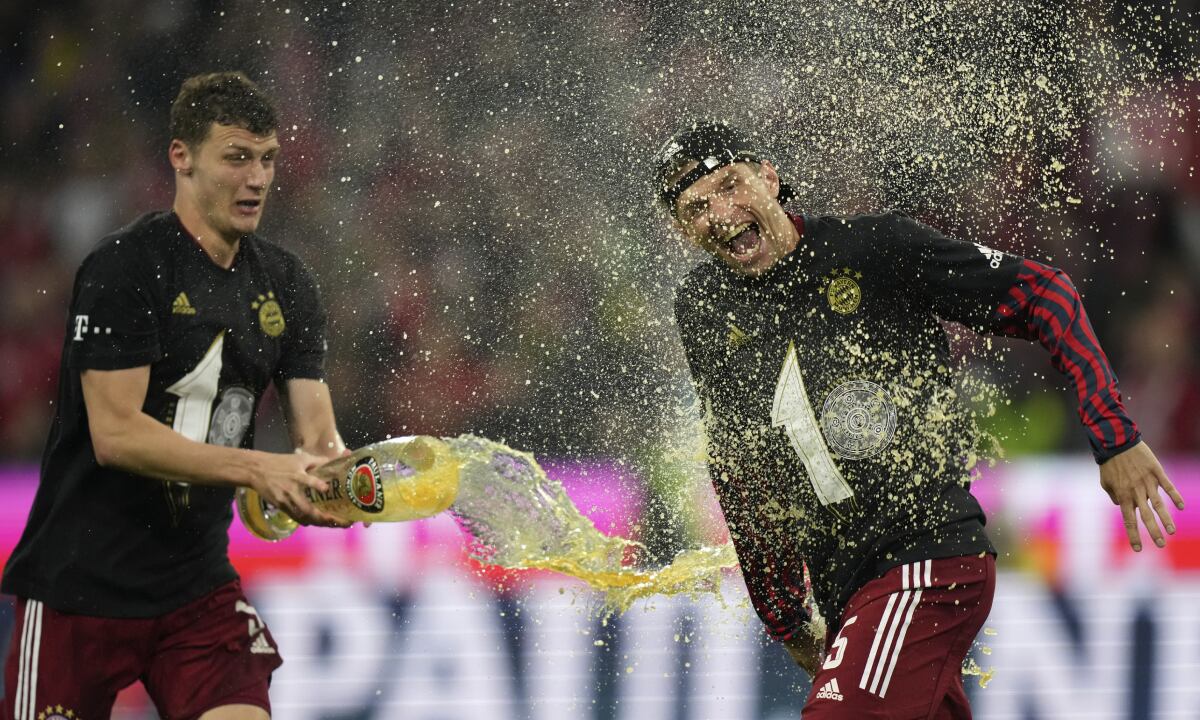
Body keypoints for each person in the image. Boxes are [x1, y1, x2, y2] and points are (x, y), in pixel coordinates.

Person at [656, 121, 1185, 719]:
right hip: (849, 589)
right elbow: (740, 462)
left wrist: (1114, 437)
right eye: (695, 208)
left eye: (731, 185)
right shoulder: (702, 307)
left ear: (771, 179)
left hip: (926, 558)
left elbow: (1046, 293)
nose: (721, 213)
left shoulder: (873, 249)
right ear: (683, 232)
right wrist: (783, 615)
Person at [1, 72, 349, 720]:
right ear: (181, 158)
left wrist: (344, 483)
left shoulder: (287, 282)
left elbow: (318, 438)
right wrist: (258, 467)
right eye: (237, 157)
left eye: (268, 159)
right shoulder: (125, 268)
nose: (257, 179)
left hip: (194, 590)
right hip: (79, 588)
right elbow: (116, 435)